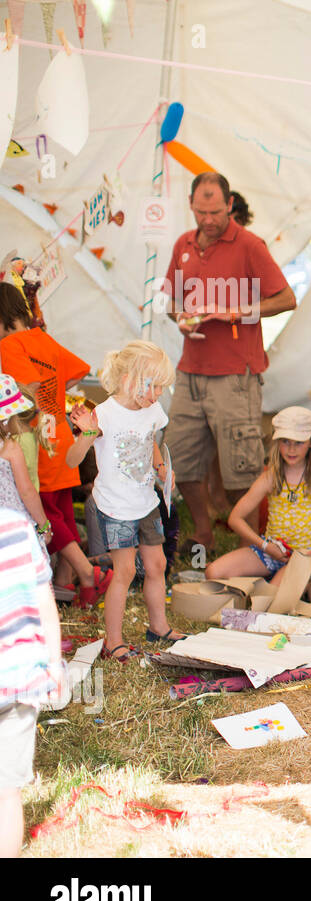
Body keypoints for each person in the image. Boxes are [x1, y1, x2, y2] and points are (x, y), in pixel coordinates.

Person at [162, 171, 297, 556]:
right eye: (201, 212)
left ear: (230, 205)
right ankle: (203, 532)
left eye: (216, 212)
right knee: (181, 460)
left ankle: (248, 546)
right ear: (191, 205)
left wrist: (238, 312)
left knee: (242, 467)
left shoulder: (250, 245)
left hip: (236, 376)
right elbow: (171, 300)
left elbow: (287, 299)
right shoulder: (183, 244)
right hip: (190, 372)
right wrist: (180, 318)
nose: (208, 220)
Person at [67, 342, 180, 662]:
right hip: (116, 507)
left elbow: (151, 443)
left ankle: (158, 627)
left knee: (157, 565)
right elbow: (70, 460)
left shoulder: (152, 411)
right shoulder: (104, 413)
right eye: (154, 385)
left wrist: (161, 469)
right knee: (125, 571)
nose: (159, 394)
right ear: (131, 379)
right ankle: (113, 641)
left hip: (146, 503)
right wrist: (87, 435)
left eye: (162, 387)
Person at [0, 282, 111, 607]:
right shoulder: (42, 338)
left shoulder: (10, 345)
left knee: (49, 515)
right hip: (61, 435)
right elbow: (78, 372)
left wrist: (34, 404)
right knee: (62, 508)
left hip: (37, 439)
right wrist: (54, 396)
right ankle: (69, 584)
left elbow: (28, 384)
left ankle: (87, 572)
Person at [204, 406, 311, 583]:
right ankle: (285, 582)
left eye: (298, 442)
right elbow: (235, 518)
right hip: (272, 551)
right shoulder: (270, 477)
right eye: (285, 442)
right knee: (213, 572)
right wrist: (265, 546)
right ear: (277, 442)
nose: (291, 450)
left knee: (274, 596)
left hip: (306, 555)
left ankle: (305, 581)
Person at [0, 509, 63, 858]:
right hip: (20, 679)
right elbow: (45, 601)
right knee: (7, 793)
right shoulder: (19, 527)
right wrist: (53, 665)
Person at [0, 377, 52, 552]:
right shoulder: (10, 447)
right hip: (11, 523)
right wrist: (43, 524)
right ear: (7, 418)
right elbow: (26, 490)